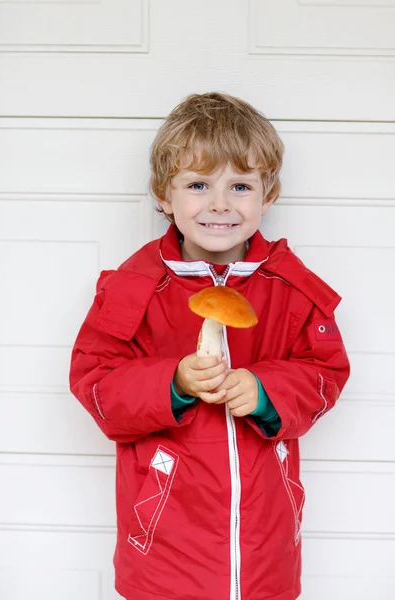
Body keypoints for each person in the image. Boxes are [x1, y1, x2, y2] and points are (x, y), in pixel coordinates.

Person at [69, 92, 350, 600]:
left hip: (266, 549)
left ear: (268, 196)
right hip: (161, 546)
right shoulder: (133, 287)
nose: (220, 203)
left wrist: (267, 390)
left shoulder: (292, 286)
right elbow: (96, 384)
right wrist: (171, 383)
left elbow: (326, 373)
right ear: (163, 194)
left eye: (240, 185)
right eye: (198, 184)